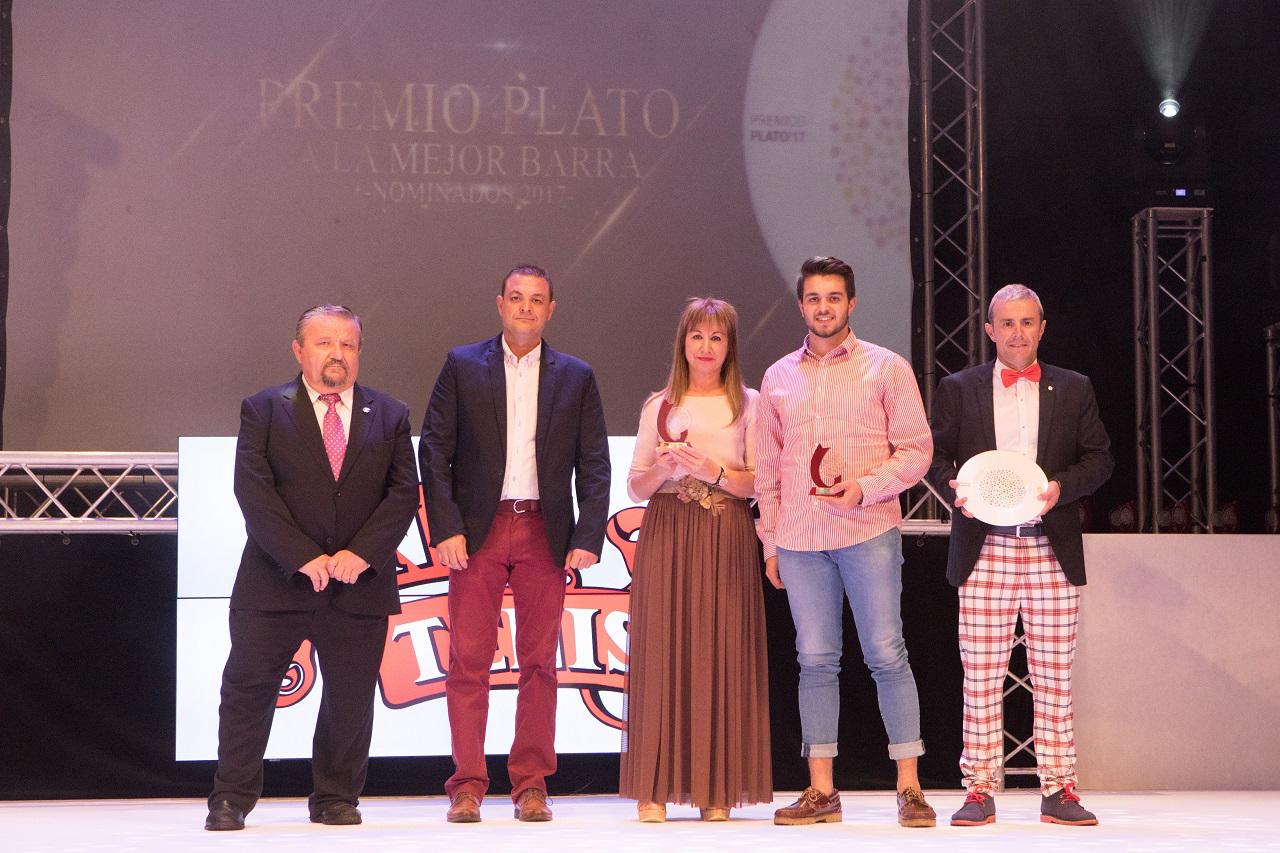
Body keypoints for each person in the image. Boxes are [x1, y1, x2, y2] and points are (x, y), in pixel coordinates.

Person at [205, 305, 419, 831]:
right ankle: (230, 798)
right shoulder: (263, 409)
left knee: (350, 698)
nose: (336, 354)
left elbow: (402, 495)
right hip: (274, 582)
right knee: (248, 691)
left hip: (357, 585)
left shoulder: (390, 414)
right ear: (299, 350)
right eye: (324, 343)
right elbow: (253, 491)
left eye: (347, 344)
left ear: (359, 352)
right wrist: (302, 556)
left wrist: (361, 553)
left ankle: (336, 797)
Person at [420, 264, 611, 823]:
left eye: (537, 299)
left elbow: (594, 461)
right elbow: (434, 451)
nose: (526, 307)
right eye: (517, 297)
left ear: (551, 309)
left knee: (539, 663)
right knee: (468, 661)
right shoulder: (462, 365)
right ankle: (467, 786)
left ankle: (531, 785)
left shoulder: (575, 375)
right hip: (477, 532)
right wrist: (446, 527)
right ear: (500, 303)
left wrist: (588, 534)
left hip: (543, 531)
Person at [756, 255, 937, 829]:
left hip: (868, 530)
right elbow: (767, 469)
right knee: (815, 660)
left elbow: (917, 451)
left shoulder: (886, 367)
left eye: (834, 297)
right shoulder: (777, 376)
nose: (824, 307)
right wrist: (770, 541)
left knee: (886, 653)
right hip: (800, 540)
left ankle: (910, 788)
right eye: (814, 298)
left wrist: (865, 488)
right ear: (801, 305)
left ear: (851, 303)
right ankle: (821, 791)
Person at [927, 284, 1113, 827]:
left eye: (1027, 322)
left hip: (1050, 547)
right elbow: (932, 456)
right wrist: (955, 488)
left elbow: (1100, 459)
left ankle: (1059, 788)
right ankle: (979, 788)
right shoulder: (958, 388)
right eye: (1007, 323)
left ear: (1042, 327)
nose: (1017, 333)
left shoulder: (1073, 387)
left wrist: (1061, 487)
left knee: (1054, 675)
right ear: (990, 330)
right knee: (981, 674)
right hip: (985, 546)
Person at [618, 298, 772, 822]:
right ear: (683, 343)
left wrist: (713, 472)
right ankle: (654, 789)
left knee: (721, 648)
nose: (706, 347)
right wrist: (664, 469)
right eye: (697, 336)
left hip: (725, 531)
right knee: (662, 650)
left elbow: (760, 482)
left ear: (730, 347)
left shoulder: (749, 403)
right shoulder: (658, 405)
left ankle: (715, 787)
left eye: (717, 337)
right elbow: (636, 486)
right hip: (667, 531)